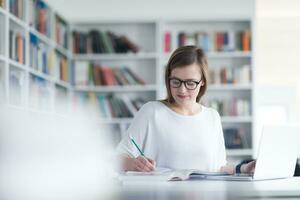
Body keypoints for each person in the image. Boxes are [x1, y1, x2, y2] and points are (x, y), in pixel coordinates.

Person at [116, 45, 255, 174]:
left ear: (202, 82)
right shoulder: (151, 112)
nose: (182, 90)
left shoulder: (212, 117)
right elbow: (117, 159)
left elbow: (218, 168)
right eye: (176, 81)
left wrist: (242, 168)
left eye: (190, 83)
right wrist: (134, 163)